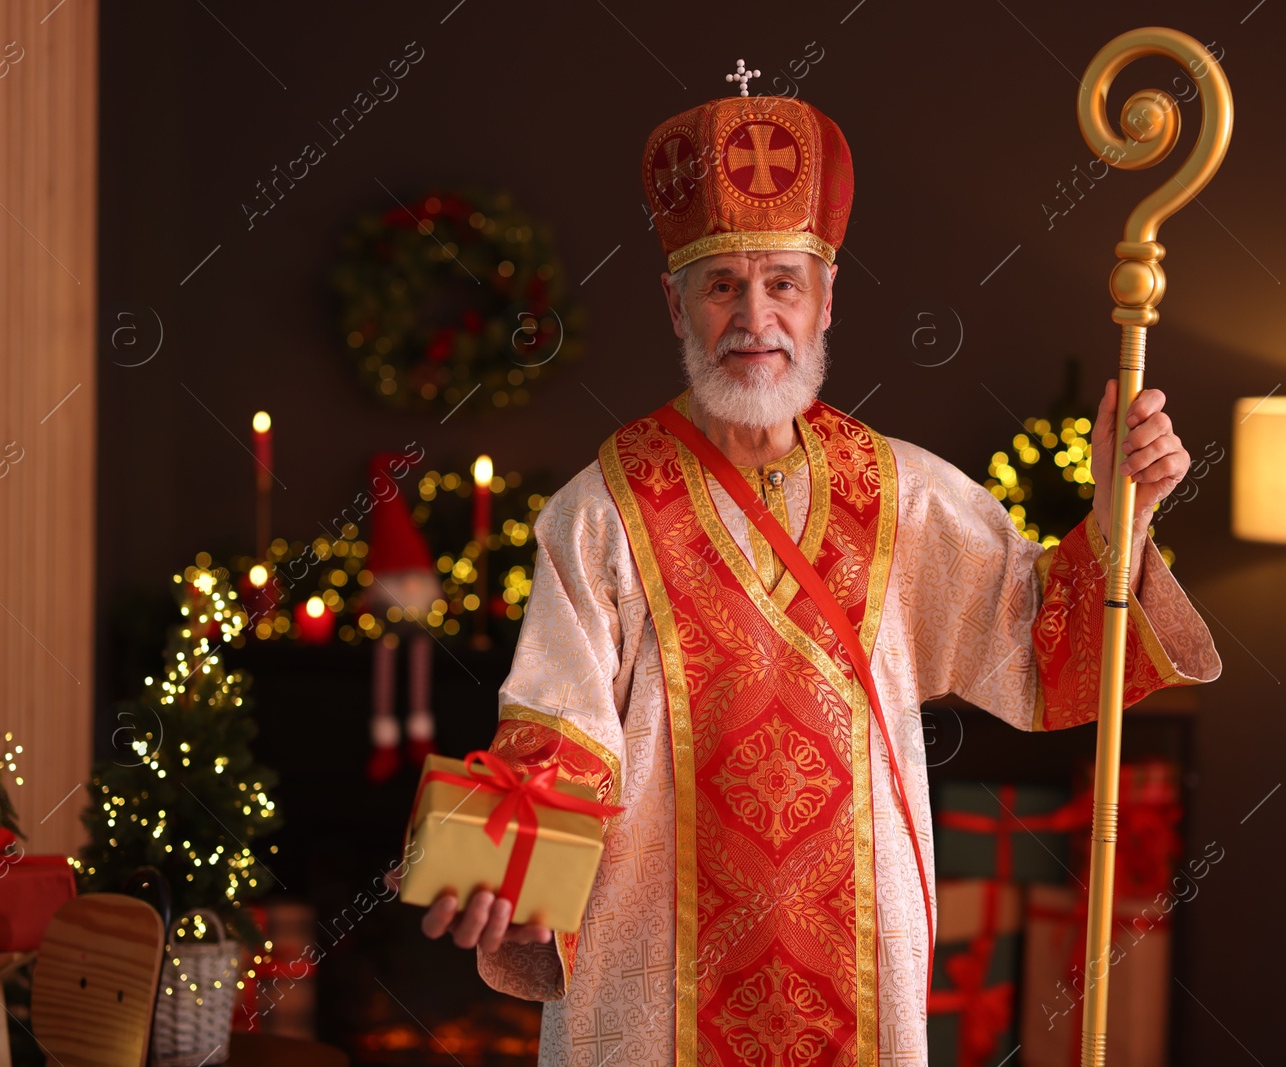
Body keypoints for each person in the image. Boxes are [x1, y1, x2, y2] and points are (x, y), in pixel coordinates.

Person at [405, 84, 1220, 1065]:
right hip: (650, 969)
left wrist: (1116, 515)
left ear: (825, 299)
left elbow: (1046, 641)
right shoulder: (604, 507)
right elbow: (558, 728)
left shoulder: (907, 494)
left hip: (855, 968)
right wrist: (504, 871)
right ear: (675, 304)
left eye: (782, 282)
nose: (754, 315)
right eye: (720, 285)